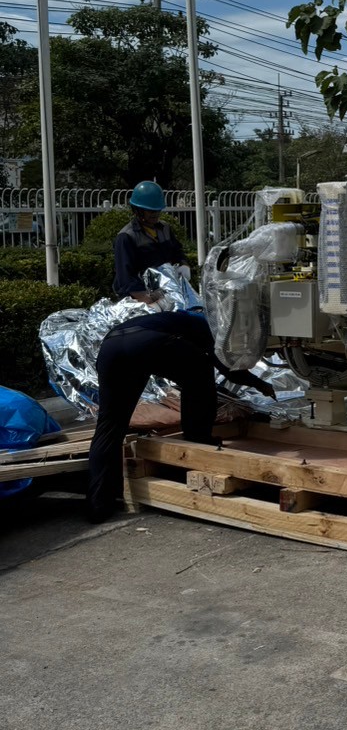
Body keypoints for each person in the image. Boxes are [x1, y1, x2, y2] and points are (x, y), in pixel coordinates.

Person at [86, 311, 274, 523]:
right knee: (200, 371)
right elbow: (225, 366)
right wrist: (260, 384)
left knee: (110, 425)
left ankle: (99, 505)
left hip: (111, 347)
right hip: (147, 342)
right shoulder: (209, 327)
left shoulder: (176, 319)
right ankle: (198, 440)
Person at [113, 181, 187, 302]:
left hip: (166, 292)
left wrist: (184, 264)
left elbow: (177, 251)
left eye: (158, 210)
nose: (155, 214)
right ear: (138, 210)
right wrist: (145, 298)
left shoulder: (165, 228)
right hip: (138, 298)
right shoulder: (126, 237)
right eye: (151, 211)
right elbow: (125, 278)